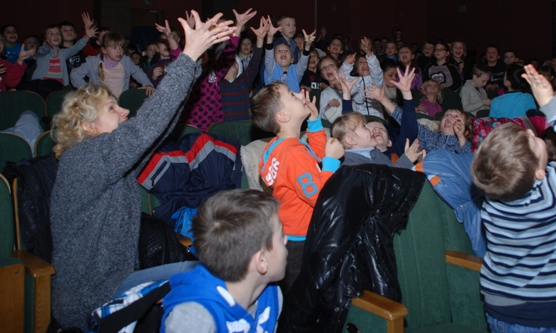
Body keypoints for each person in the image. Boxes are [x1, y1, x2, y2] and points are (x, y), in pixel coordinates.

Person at [49, 11, 234, 330]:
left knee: (215, 274)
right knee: (210, 283)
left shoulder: (107, 158)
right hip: (91, 301)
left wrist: (193, 64)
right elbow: (148, 125)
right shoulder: (84, 158)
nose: (124, 111)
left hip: (120, 284)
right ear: (88, 125)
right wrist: (187, 56)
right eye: (112, 108)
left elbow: (161, 127)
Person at [471, 64, 556, 333]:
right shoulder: (551, 194)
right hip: (544, 312)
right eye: (531, 140)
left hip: (498, 306)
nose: (532, 131)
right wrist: (549, 102)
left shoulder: (493, 197)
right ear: (539, 172)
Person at [253, 81, 345, 291]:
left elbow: (315, 156)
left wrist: (314, 122)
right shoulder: (294, 154)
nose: (300, 93)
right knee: (299, 294)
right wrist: (331, 162)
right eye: (292, 94)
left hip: (287, 230)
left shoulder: (278, 145)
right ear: (283, 116)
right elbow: (321, 198)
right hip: (299, 238)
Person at [160, 189, 286, 333]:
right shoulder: (194, 320)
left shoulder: (271, 295)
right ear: (262, 261)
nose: (286, 240)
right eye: (281, 237)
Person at [22, 13, 97, 98]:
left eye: (58, 33)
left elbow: (76, 47)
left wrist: (87, 37)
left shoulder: (63, 53)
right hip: (41, 83)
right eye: (51, 34)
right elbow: (43, 50)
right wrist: (47, 44)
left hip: (57, 86)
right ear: (45, 39)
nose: (56, 35)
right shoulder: (42, 52)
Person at [70, 32, 155, 99]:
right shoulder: (93, 62)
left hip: (119, 103)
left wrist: (147, 83)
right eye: (114, 47)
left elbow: (138, 72)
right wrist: (86, 89)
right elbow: (74, 74)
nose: (119, 51)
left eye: (121, 47)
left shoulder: (126, 61)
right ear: (104, 50)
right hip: (100, 104)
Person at [330, 109, 423, 168]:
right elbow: (383, 183)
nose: (371, 129)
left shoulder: (376, 153)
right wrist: (406, 161)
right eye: (364, 127)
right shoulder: (349, 164)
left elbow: (391, 173)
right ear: (351, 140)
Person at [221, 17, 266, 122]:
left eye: (234, 62)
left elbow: (255, 62)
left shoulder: (243, 80)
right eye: (229, 62)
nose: (233, 63)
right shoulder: (218, 84)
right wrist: (238, 27)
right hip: (224, 127)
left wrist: (260, 39)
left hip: (243, 127)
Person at [264, 17, 313, 93]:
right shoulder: (271, 69)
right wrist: (270, 37)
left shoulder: (295, 71)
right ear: (274, 58)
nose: (283, 52)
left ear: (292, 59)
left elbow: (302, 64)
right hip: (275, 100)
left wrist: (307, 46)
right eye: (279, 51)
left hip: (292, 100)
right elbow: (268, 56)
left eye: (286, 50)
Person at [340, 37, 385, 119]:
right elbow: (341, 78)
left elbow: (376, 70)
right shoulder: (353, 81)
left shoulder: (376, 80)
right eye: (361, 62)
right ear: (356, 69)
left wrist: (368, 52)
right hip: (360, 121)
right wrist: (347, 64)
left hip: (377, 120)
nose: (365, 64)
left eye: (367, 62)